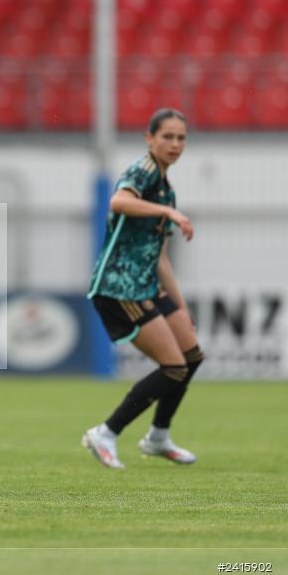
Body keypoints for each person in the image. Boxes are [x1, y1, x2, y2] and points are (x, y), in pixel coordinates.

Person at [82, 108, 204, 469]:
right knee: (173, 366)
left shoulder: (166, 190)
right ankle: (106, 432)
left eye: (181, 137)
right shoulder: (145, 170)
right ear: (150, 139)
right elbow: (118, 200)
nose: (175, 144)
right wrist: (168, 214)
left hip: (146, 284)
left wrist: (182, 309)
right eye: (167, 136)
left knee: (191, 357)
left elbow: (161, 259)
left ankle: (158, 437)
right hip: (119, 287)